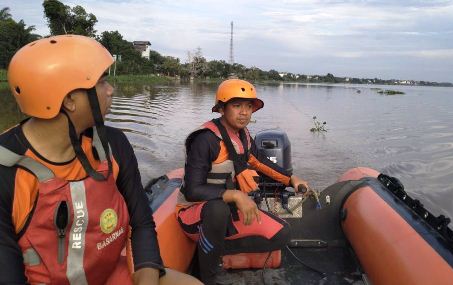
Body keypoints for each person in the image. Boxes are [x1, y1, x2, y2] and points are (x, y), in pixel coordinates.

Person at [0, 35, 201, 285]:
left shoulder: (113, 144)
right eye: (102, 82)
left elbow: (141, 221)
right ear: (69, 100)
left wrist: (147, 274)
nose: (111, 90)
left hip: (111, 274)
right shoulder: (7, 171)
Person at [177, 79, 310, 284]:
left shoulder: (243, 135)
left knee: (282, 234)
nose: (244, 112)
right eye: (237, 105)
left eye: (249, 107)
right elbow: (192, 190)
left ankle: (217, 250)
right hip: (195, 215)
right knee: (217, 210)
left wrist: (291, 178)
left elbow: (260, 162)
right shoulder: (206, 140)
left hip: (227, 211)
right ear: (222, 108)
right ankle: (207, 276)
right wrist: (235, 194)